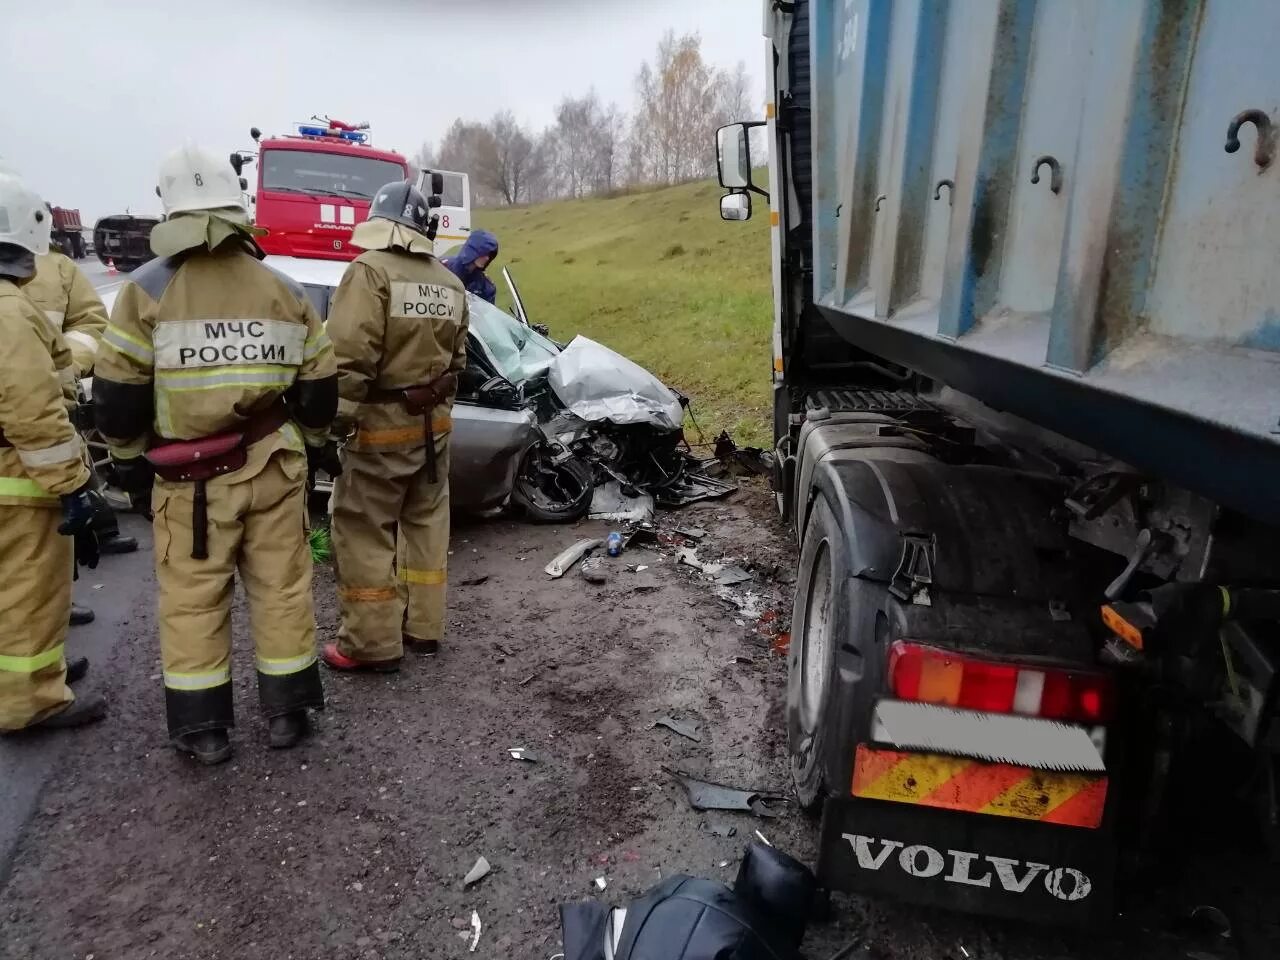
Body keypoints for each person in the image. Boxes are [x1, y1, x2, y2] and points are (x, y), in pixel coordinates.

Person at [93, 144, 339, 765]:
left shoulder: (144, 293)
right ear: (237, 206)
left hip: (189, 482)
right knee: (282, 589)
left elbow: (118, 399)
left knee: (194, 598)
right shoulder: (283, 288)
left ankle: (204, 729)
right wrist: (311, 452)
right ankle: (288, 712)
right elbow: (318, 392)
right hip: (275, 465)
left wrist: (128, 467)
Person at [322, 180, 469, 672]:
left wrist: (328, 429)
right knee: (426, 526)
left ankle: (370, 644)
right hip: (434, 429)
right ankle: (423, 630)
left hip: (378, 430)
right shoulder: (449, 282)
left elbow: (347, 359)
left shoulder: (368, 273)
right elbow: (460, 361)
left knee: (364, 531)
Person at [0, 172, 108, 733]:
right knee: (28, 590)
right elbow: (33, 413)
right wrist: (72, 486)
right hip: (16, 481)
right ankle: (32, 700)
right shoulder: (11, 312)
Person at [23, 198, 140, 630]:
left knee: (51, 526)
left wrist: (62, 366)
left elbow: (91, 323)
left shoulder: (58, 270)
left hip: (49, 412)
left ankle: (48, 618)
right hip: (31, 418)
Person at [442, 229, 499, 304]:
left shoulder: (485, 286)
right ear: (472, 250)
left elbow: (486, 314)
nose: (487, 258)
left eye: (489, 254)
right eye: (484, 253)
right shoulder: (441, 268)